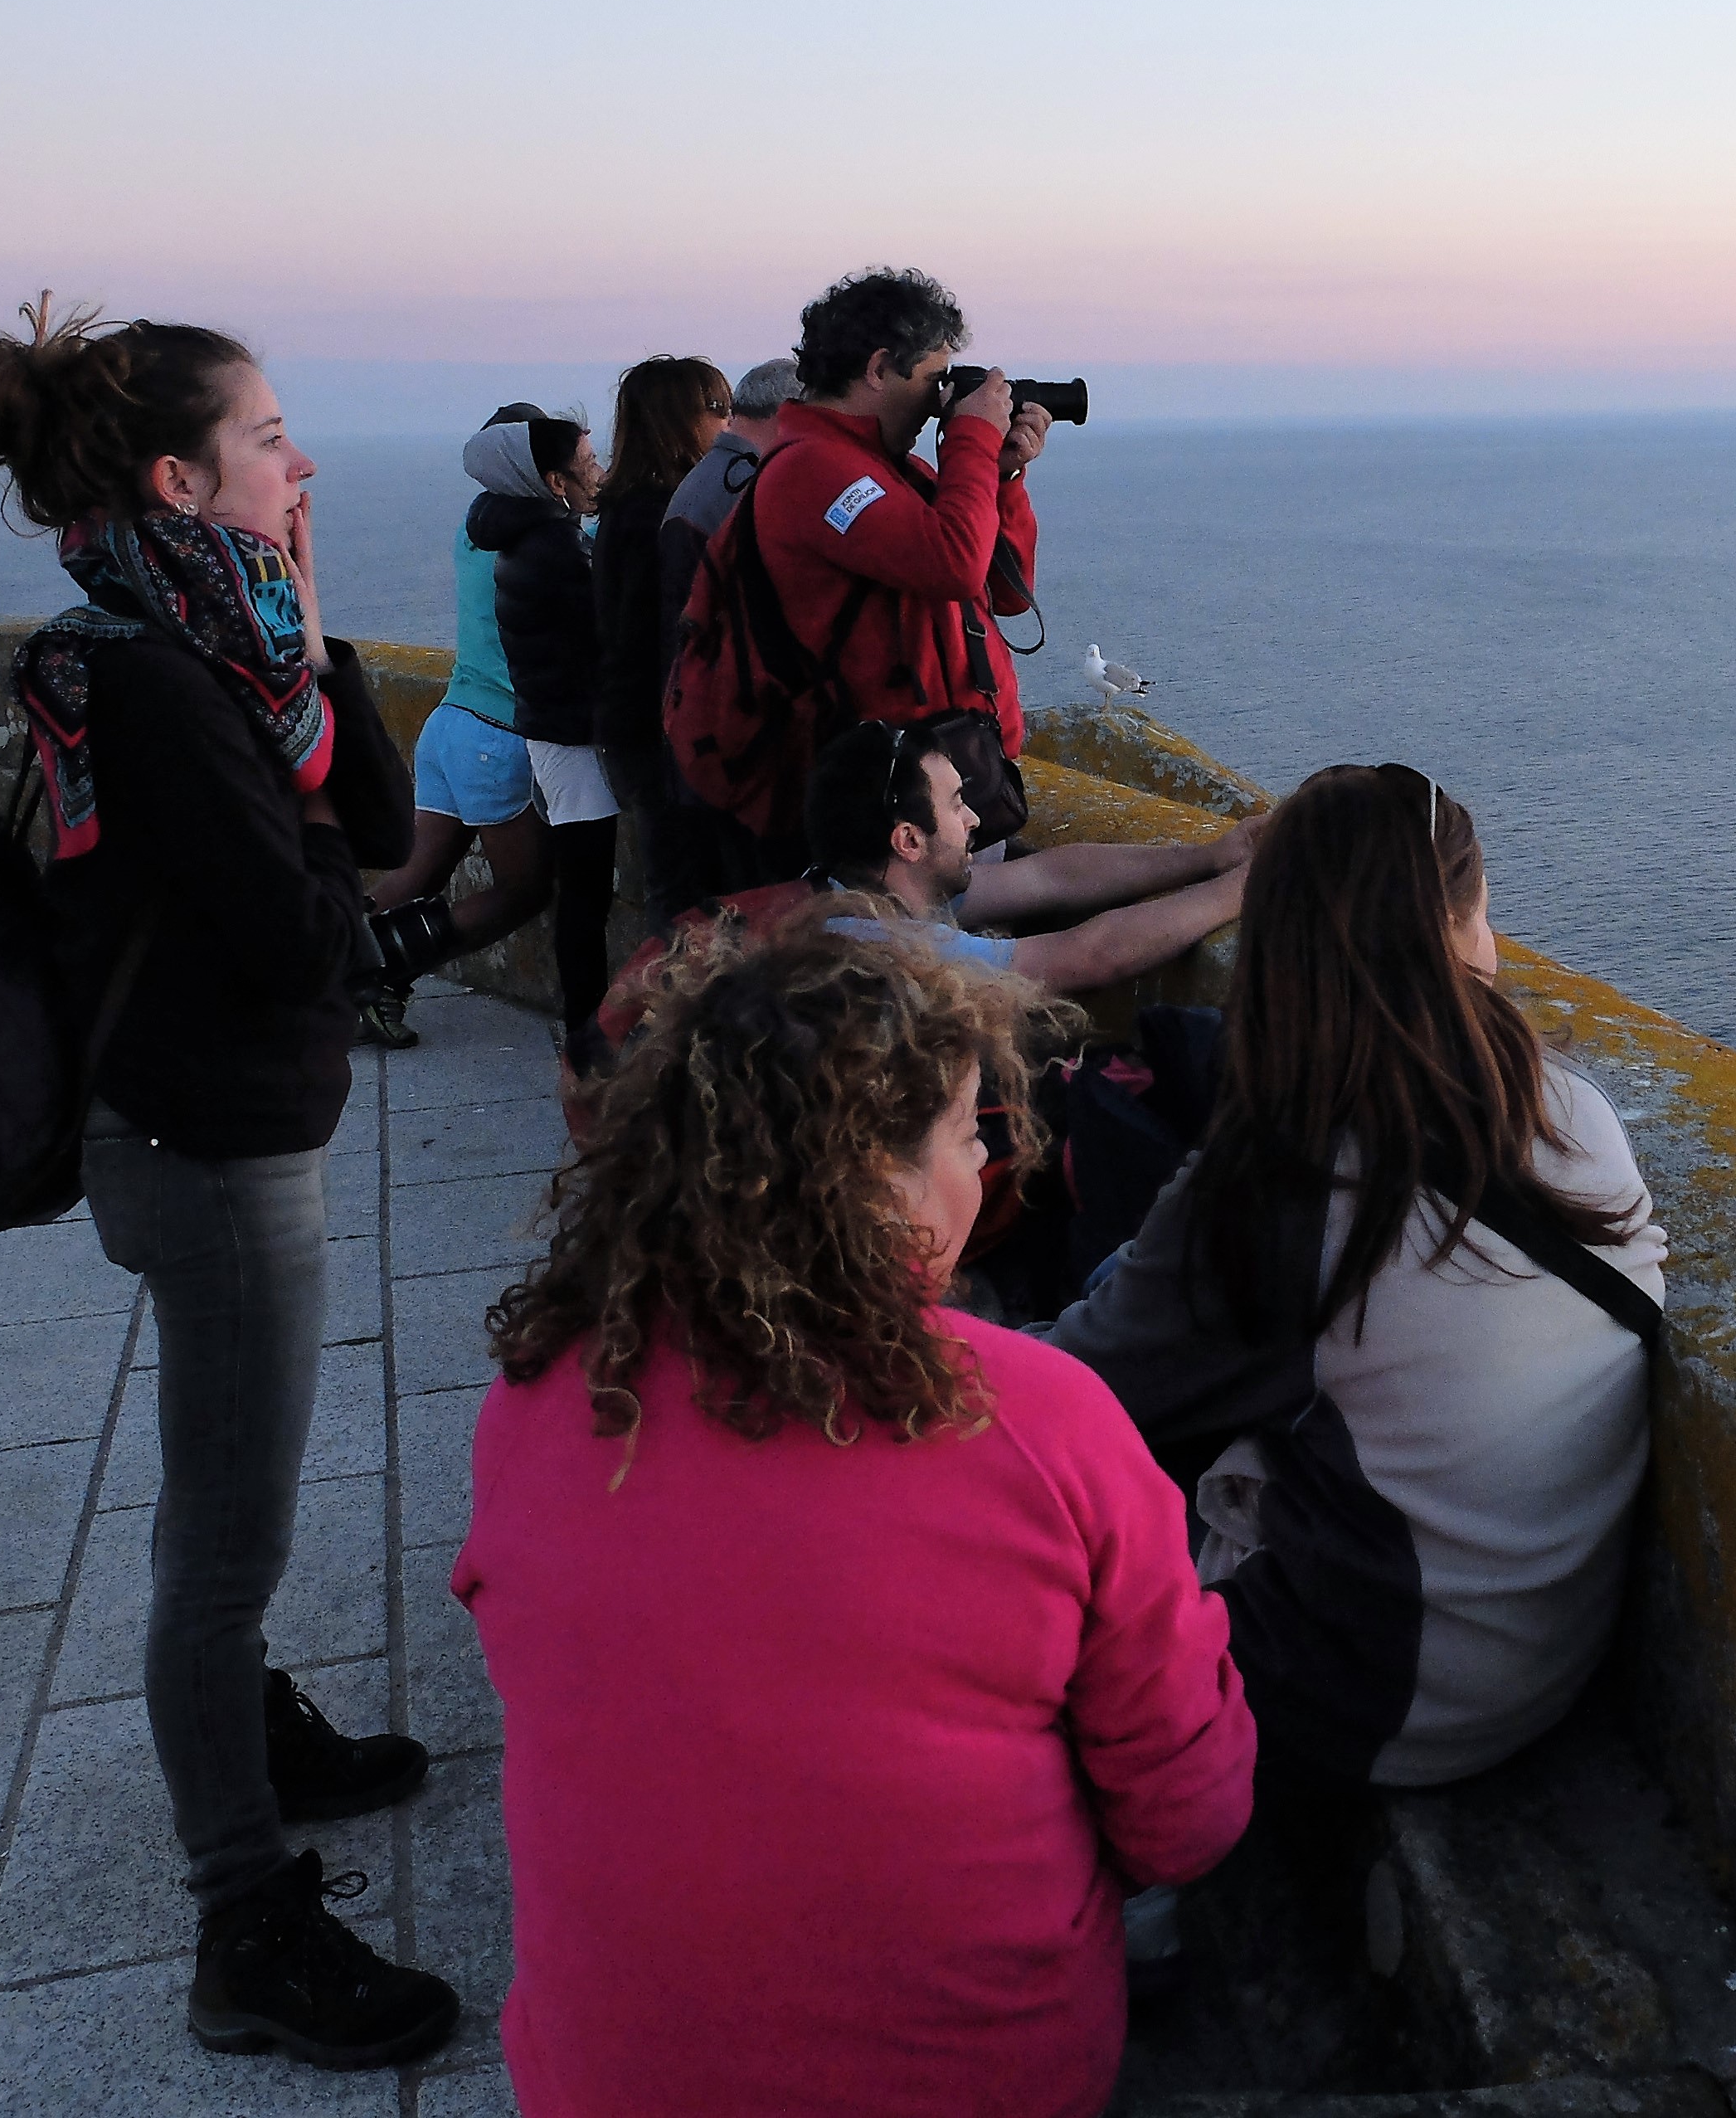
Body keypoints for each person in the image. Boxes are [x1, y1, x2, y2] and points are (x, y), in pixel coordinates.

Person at [454, 918, 1254, 2116]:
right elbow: (1187, 1814)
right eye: (963, 1134)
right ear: (869, 1182)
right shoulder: (1042, 1418)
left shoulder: (541, 1401)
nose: (983, 1172)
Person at [0, 296, 460, 2067]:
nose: (300, 460)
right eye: (269, 438)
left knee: (220, 1504)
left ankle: (251, 1738)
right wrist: (319, 829)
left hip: (201, 1129)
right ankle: (245, 1924)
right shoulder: (167, 687)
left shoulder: (190, 646)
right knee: (222, 1547)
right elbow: (312, 934)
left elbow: (381, 827)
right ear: (183, 477)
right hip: (212, 1155)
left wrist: (312, 642)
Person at [1051, 764, 1667, 1789]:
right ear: (1459, 930)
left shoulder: (1283, 1186)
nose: (1497, 949)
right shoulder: (1575, 1111)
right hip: (1541, 1662)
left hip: (1381, 1696)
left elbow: (1065, 1398)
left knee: (1020, 1601)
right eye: (1483, 919)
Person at [745, 270, 1043, 836]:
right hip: (890, 798)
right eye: (934, 379)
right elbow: (952, 564)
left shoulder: (893, 471)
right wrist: (973, 439)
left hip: (954, 773)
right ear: (880, 368)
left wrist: (999, 477)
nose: (940, 403)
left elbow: (1005, 592)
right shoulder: (814, 469)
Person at [356, 405, 560, 1045]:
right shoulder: (539, 540)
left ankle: (327, 972)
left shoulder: (469, 532)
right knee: (525, 889)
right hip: (496, 737)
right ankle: (382, 962)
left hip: (450, 723)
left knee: (417, 876)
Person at [798, 716, 1249, 996]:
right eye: (956, 803)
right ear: (909, 842)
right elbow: (1088, 956)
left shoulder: (855, 891)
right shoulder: (895, 955)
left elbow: (1053, 877)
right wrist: (1246, 887)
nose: (974, 818)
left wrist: (1213, 856)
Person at [466, 411, 620, 1069]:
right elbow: (607, 629)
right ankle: (588, 1032)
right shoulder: (556, 548)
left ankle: (587, 1022)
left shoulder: (528, 538)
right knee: (585, 889)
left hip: (553, 731)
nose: (599, 470)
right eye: (588, 462)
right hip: (570, 738)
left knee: (583, 885)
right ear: (553, 480)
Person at [648, 357, 795, 908]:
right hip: (737, 745)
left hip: (706, 737)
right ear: (792, 414)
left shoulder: (705, 482)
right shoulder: (745, 490)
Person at [591, 355, 731, 932]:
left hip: (633, 732)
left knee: (674, 894)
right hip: (663, 735)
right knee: (686, 901)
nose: (729, 424)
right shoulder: (665, 518)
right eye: (717, 409)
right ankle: (662, 1020)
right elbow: (663, 639)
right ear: (678, 422)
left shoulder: (623, 511)